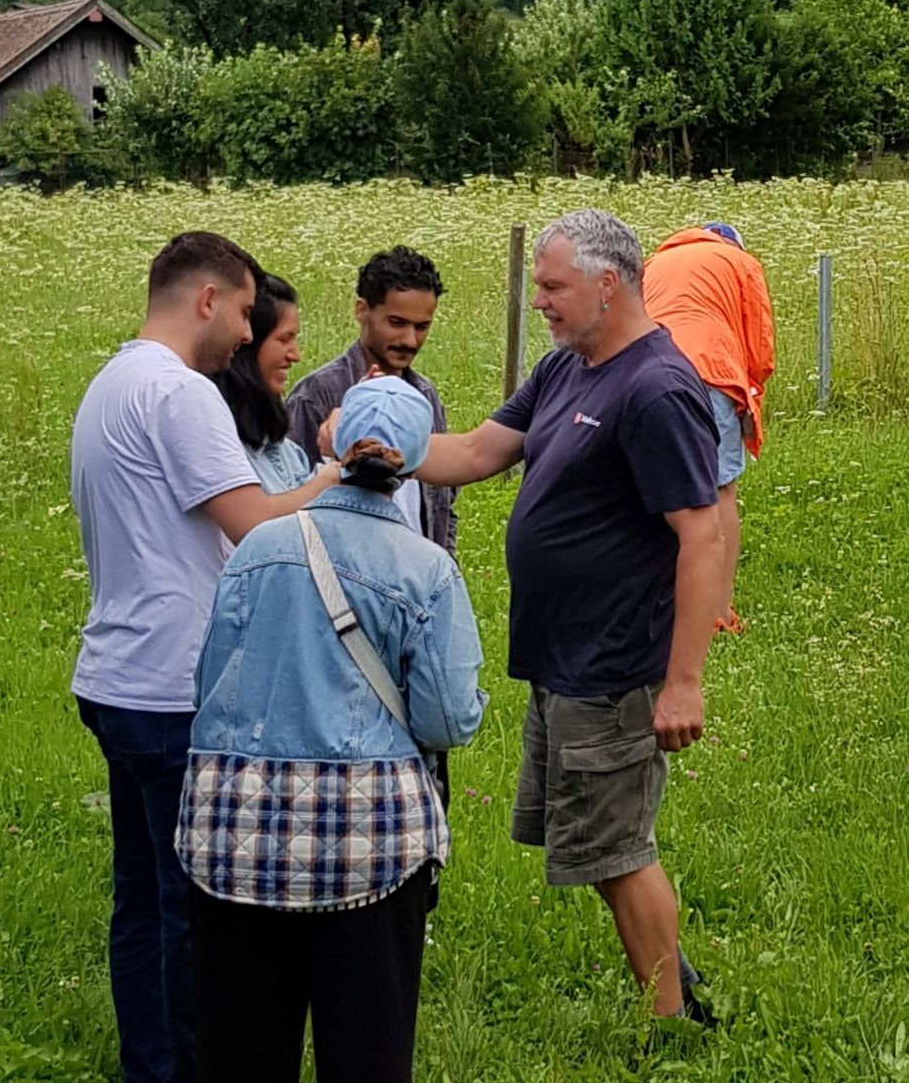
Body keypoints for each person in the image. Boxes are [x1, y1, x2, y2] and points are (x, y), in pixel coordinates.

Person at [373, 208, 724, 1023]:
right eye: (537, 286)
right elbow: (475, 454)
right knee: (605, 846)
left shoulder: (656, 388)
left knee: (620, 848)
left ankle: (672, 1023)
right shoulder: (570, 365)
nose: (540, 302)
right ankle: (674, 986)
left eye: (553, 286)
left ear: (610, 284)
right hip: (564, 654)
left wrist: (684, 682)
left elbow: (702, 534)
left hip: (614, 661)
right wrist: (375, 449)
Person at [176, 377, 486, 1083]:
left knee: (241, 1043)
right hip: (367, 842)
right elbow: (447, 718)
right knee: (368, 1049)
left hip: (233, 830)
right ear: (420, 464)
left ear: (332, 443)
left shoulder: (261, 546)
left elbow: (213, 678)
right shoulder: (427, 568)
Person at [70, 232, 340, 1083]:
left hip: (115, 673)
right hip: (176, 683)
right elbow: (254, 522)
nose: (246, 333)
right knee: (199, 904)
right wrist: (339, 476)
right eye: (243, 311)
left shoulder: (110, 381)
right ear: (207, 299)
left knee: (142, 895)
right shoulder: (181, 393)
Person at [643, 221, 775, 633]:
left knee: (652, 490)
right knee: (719, 490)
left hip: (650, 373)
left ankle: (654, 605)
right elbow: (760, 344)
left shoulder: (652, 262)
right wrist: (750, 392)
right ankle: (718, 612)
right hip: (710, 370)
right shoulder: (740, 262)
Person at [287, 245, 457, 555]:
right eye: (397, 323)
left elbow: (443, 503)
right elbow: (292, 500)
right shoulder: (316, 396)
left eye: (422, 327)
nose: (409, 340)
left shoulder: (425, 397)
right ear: (361, 310)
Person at [216, 271, 312, 493]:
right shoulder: (225, 449)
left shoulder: (288, 451)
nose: (295, 355)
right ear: (248, 342)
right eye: (284, 339)